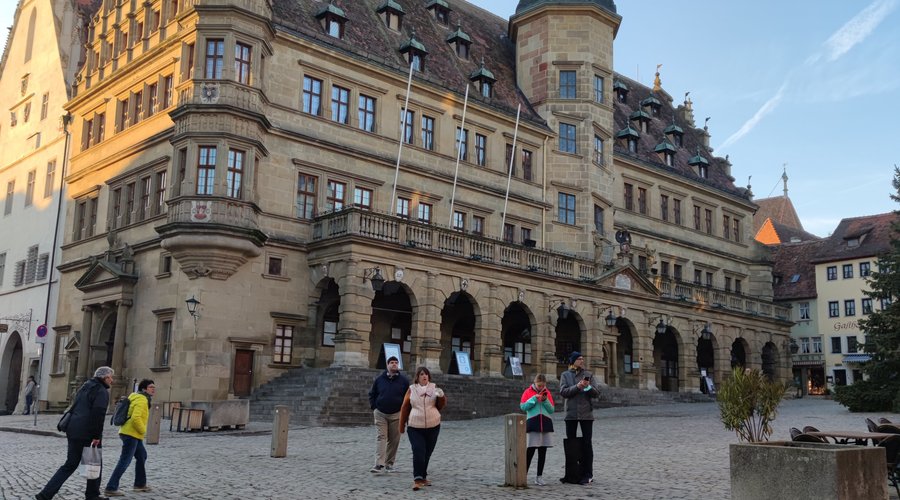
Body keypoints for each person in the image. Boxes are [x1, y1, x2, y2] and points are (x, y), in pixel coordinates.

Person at [37, 366, 114, 500]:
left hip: (73, 430)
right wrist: (96, 436)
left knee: (70, 464)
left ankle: (45, 494)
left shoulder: (84, 387)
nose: (112, 380)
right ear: (105, 377)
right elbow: (98, 414)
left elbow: (75, 407)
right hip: (87, 433)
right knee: (94, 464)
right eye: (111, 377)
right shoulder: (101, 391)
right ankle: (92, 495)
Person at [103, 379, 156, 496]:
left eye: (154, 387)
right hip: (131, 434)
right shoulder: (142, 400)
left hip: (131, 433)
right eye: (151, 387)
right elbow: (135, 418)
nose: (153, 389)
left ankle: (140, 484)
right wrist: (143, 431)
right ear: (144, 389)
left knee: (142, 455)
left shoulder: (137, 397)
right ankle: (111, 488)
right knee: (125, 460)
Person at [399, 366, 447, 491]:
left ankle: (423, 476)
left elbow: (440, 406)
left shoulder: (434, 388)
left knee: (427, 453)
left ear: (429, 377)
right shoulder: (411, 389)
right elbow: (404, 407)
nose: (424, 376)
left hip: (433, 425)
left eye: (426, 374)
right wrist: (401, 426)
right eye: (421, 374)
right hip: (415, 426)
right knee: (418, 451)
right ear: (417, 377)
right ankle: (417, 479)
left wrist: (441, 396)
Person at [559, 352, 599, 485]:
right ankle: (570, 474)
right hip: (571, 414)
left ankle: (588, 474)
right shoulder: (565, 375)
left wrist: (587, 387)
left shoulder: (588, 374)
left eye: (582, 358)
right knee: (571, 445)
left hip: (586, 415)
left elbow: (596, 393)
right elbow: (563, 392)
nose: (582, 361)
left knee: (587, 444)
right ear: (572, 361)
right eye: (579, 359)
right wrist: (577, 387)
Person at [368, 356, 410, 474]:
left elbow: (408, 398)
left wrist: (405, 413)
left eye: (396, 363)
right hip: (380, 413)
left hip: (397, 414)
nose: (394, 364)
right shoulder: (379, 379)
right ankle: (379, 464)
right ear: (387, 365)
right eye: (392, 362)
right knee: (381, 437)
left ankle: (389, 464)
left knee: (394, 440)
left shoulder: (404, 381)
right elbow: (372, 394)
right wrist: (374, 407)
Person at [520, 373, 555, 486]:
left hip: (545, 424)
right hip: (533, 423)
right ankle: (522, 475)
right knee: (530, 451)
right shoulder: (528, 392)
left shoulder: (547, 392)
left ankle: (539, 477)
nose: (541, 388)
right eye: (539, 385)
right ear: (535, 383)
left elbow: (551, 410)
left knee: (543, 451)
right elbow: (523, 407)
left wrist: (545, 400)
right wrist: (533, 399)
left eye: (543, 385)